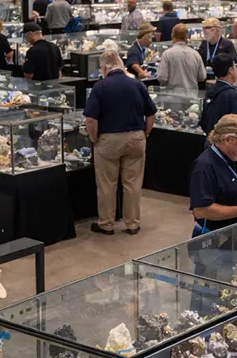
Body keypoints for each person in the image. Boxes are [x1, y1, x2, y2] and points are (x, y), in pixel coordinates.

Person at [84, 50, 156, 236]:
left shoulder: (100, 87)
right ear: (120, 65)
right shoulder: (137, 84)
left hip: (109, 139)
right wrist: (145, 133)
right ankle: (132, 223)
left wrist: (94, 139)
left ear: (104, 67)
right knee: (132, 183)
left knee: (107, 184)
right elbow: (151, 114)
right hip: (136, 137)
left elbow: (91, 120)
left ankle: (106, 224)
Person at [190, 114, 237, 234]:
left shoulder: (234, 158)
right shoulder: (205, 167)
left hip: (234, 234)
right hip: (212, 240)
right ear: (229, 140)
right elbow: (201, 210)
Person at [200, 53, 237, 134]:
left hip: (212, 142)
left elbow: (203, 123)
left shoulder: (210, 92)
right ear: (230, 71)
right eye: (235, 67)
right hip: (228, 144)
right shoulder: (233, 95)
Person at [158, 24, 207, 91]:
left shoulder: (167, 54)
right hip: (192, 97)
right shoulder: (195, 54)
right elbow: (202, 77)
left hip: (172, 96)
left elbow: (162, 78)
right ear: (186, 37)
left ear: (172, 36)